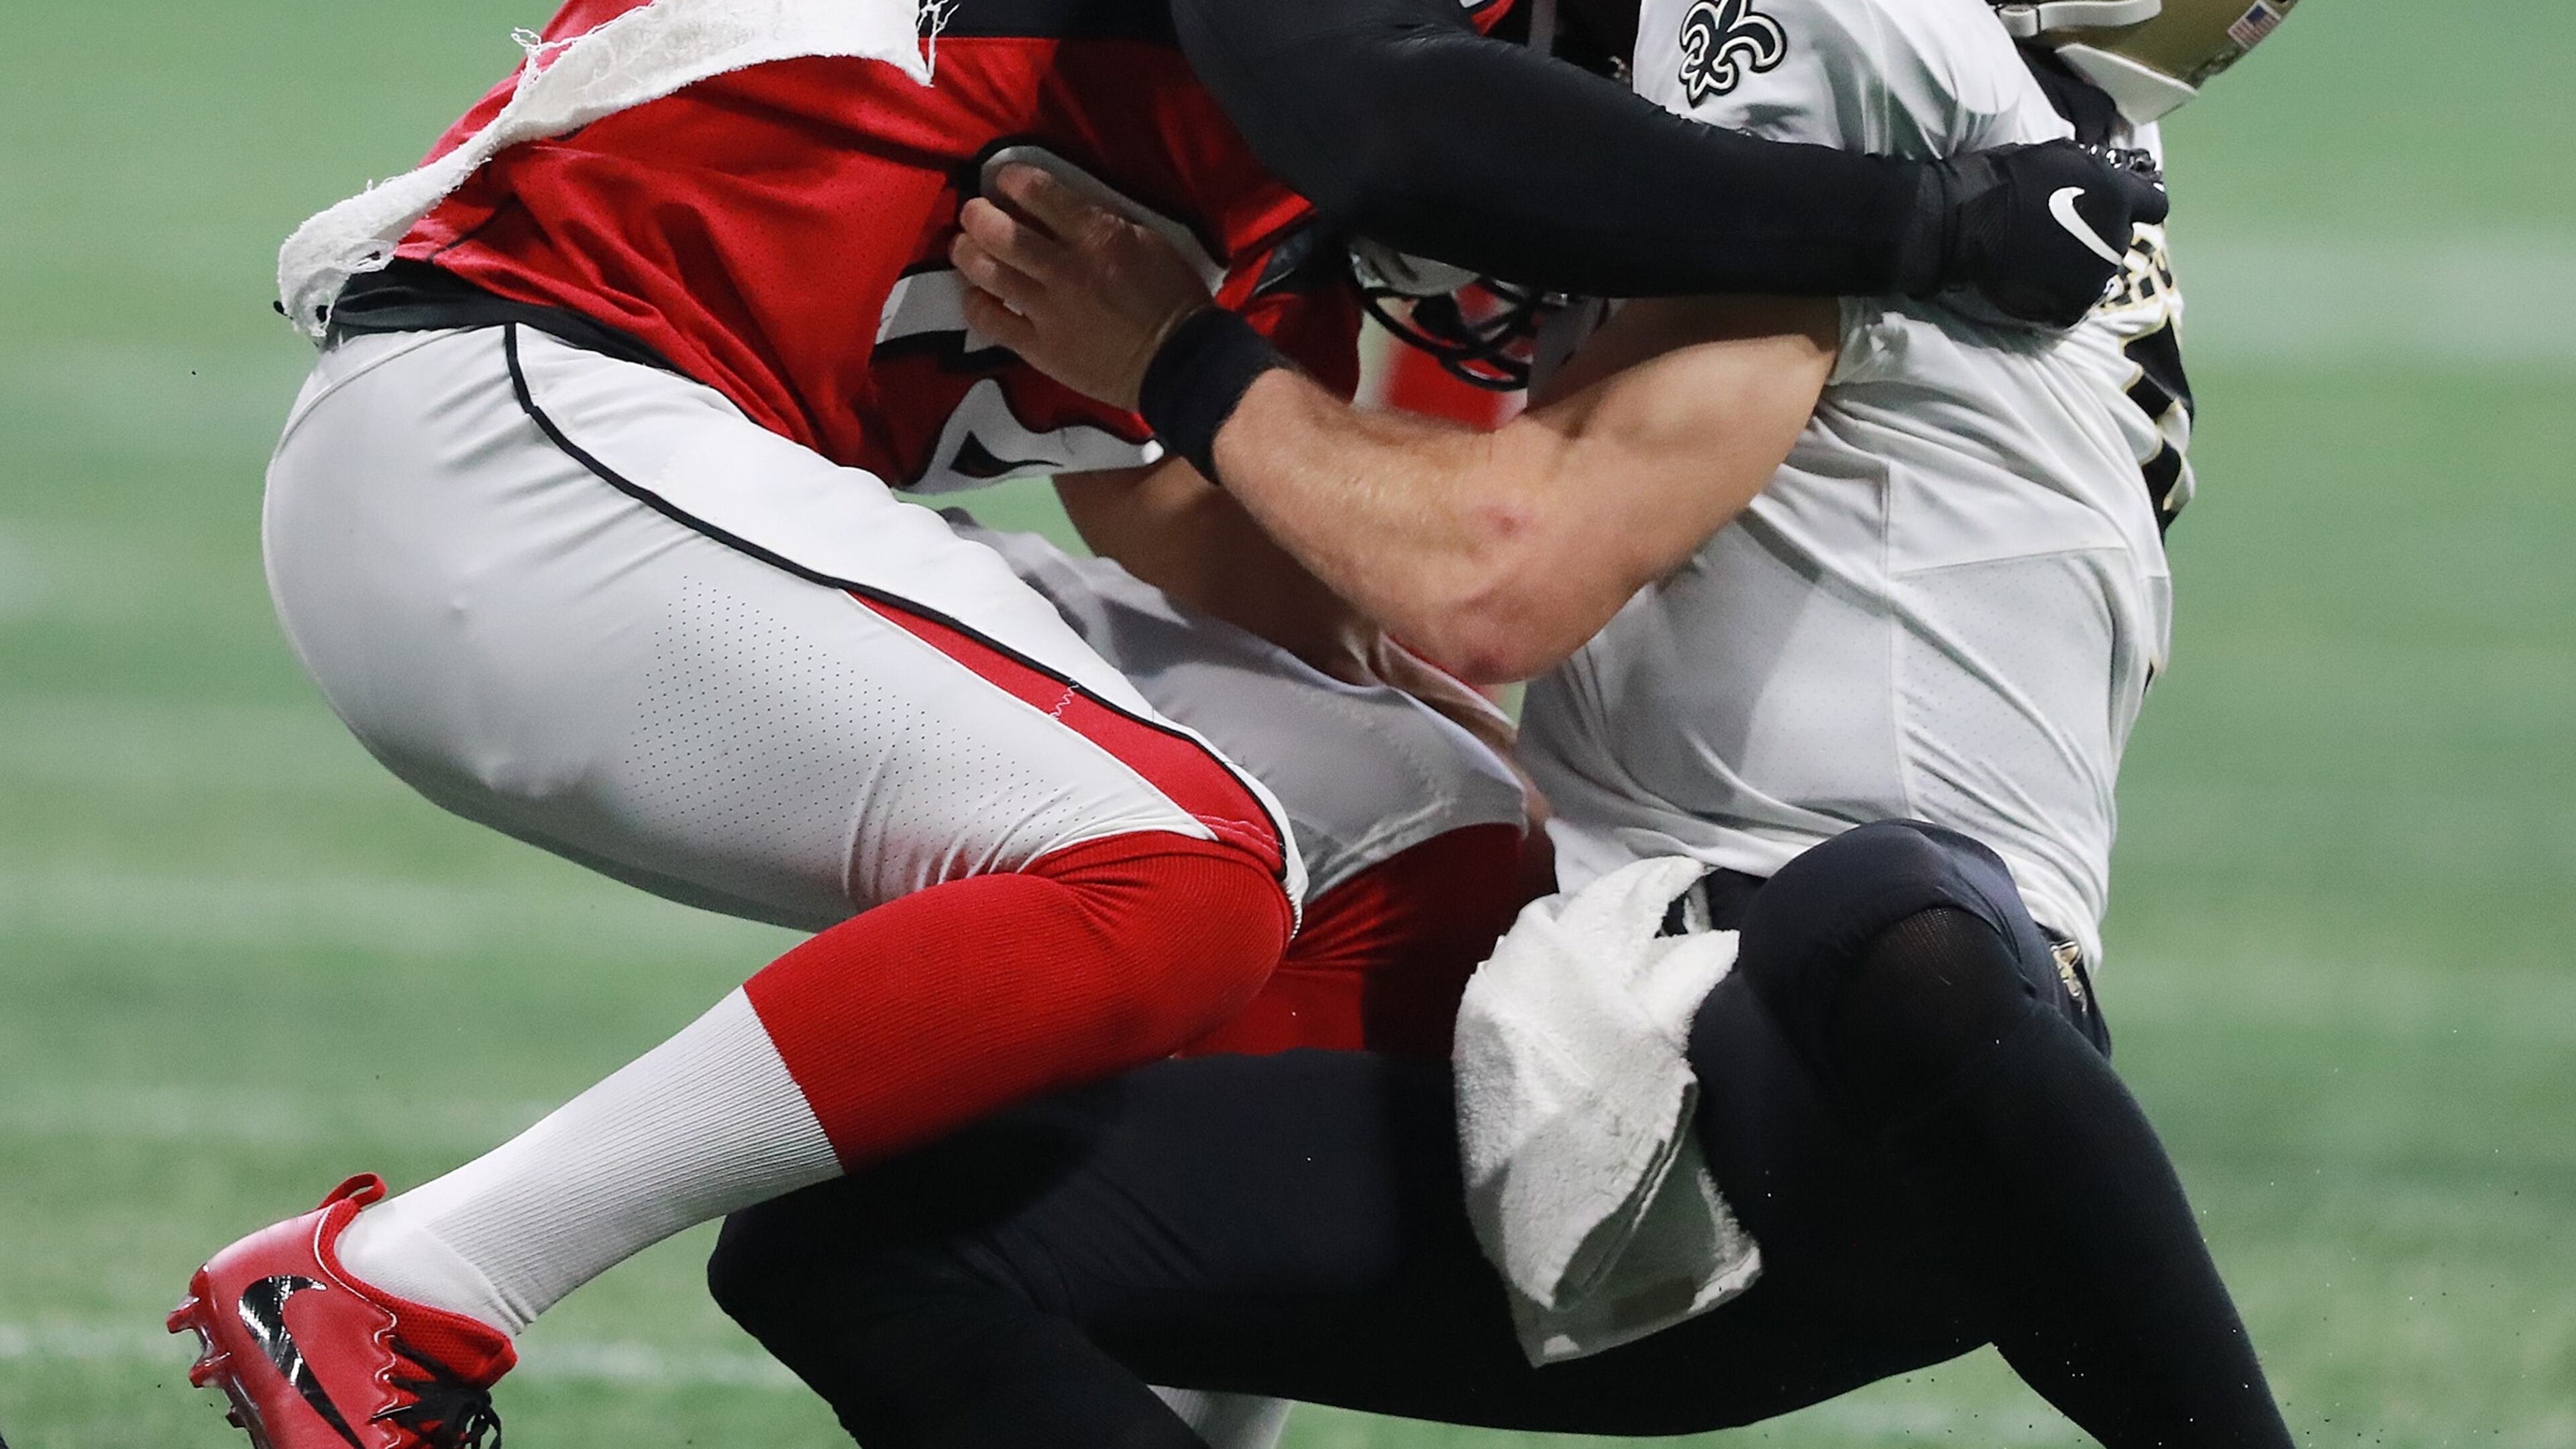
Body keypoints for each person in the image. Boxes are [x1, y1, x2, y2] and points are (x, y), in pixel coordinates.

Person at [167, 0, 2164, 1439]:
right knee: (1172, 865)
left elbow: (1261, 554)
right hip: (513, 415)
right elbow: (1387, 117)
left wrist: (1263, 416)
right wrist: (1926, 229)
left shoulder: (1302, 129)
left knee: (1438, 841)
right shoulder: (1369, 79)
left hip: (643, 462)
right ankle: (405, 1283)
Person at [706, 0, 2304, 1442]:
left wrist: (1184, 355)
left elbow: (1490, 585)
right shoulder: (2009, 151)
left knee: (1870, 906)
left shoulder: (1871, 45)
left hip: (1877, 1095)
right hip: (1605, 1092)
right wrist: (1082, 350)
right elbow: (1313, 593)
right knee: (849, 1251)